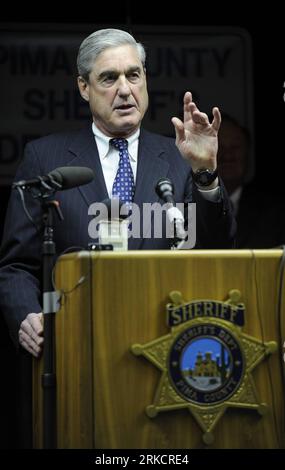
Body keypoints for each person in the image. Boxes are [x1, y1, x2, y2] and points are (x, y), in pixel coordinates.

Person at [0, 28, 235, 359]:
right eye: (109, 78)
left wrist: (205, 173)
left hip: (167, 347)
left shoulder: (181, 159)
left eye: (133, 75)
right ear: (84, 87)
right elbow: (16, 265)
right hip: (74, 349)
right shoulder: (45, 158)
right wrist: (27, 315)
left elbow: (219, 251)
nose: (125, 90)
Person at [217, 115, 285, 248]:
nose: (228, 155)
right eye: (219, 147)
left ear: (248, 153)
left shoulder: (276, 212)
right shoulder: (182, 207)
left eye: (235, 147)